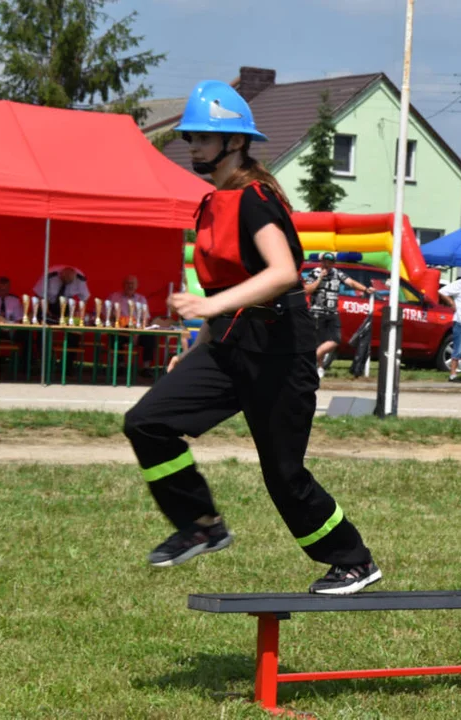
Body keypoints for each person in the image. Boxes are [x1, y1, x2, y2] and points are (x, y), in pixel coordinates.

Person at [122, 80, 380, 595]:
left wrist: (210, 306)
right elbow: (222, 288)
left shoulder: (256, 198)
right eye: (190, 137)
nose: (192, 146)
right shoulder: (212, 202)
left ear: (234, 142)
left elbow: (284, 272)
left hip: (278, 351)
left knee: (283, 474)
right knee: (147, 422)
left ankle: (353, 560)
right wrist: (196, 347)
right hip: (225, 346)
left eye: (202, 137)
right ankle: (201, 526)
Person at [304, 251, 373, 379]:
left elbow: (350, 282)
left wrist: (365, 289)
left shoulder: (336, 273)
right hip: (317, 312)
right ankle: (319, 368)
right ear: (321, 262)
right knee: (319, 342)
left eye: (330, 262)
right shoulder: (314, 273)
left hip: (332, 312)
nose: (327, 264)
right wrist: (320, 278)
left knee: (336, 339)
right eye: (325, 261)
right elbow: (307, 290)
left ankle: (311, 360)